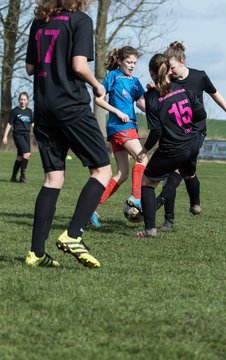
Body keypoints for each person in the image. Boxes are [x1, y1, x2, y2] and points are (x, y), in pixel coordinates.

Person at [24, 0, 112, 268]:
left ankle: (36, 253)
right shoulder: (80, 20)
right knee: (102, 171)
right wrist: (97, 86)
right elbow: (78, 65)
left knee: (53, 178)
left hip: (44, 109)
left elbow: (29, 68)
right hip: (71, 105)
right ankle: (74, 235)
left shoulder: (39, 22)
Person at [157, 41, 226, 230]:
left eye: (172, 67)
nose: (170, 72)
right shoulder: (169, 82)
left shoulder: (199, 76)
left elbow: (214, 93)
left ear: (182, 61)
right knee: (178, 172)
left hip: (196, 131)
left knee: (181, 171)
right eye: (167, 69)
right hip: (175, 132)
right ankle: (168, 220)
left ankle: (186, 201)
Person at [135, 53, 207, 237]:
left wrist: (144, 150)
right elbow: (201, 115)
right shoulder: (184, 89)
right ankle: (196, 205)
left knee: (147, 183)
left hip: (172, 148)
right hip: (191, 143)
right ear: (169, 71)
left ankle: (150, 230)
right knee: (189, 173)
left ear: (152, 72)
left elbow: (157, 132)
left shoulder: (151, 97)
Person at [90, 46, 147, 227]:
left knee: (122, 173)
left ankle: (90, 208)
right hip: (121, 127)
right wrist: (116, 111)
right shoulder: (113, 76)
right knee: (143, 158)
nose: (132, 66)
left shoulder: (135, 81)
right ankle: (136, 197)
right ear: (121, 61)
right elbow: (99, 99)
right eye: (129, 62)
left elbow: (142, 103)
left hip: (127, 128)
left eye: (134, 63)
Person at [2, 92, 33, 183]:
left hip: (27, 135)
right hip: (18, 135)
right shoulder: (14, 111)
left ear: (27, 100)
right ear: (19, 100)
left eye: (24, 100)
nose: (22, 101)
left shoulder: (29, 111)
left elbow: (32, 123)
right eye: (21, 99)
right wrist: (5, 136)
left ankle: (13, 177)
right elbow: (9, 124)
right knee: (27, 154)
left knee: (20, 157)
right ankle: (23, 177)